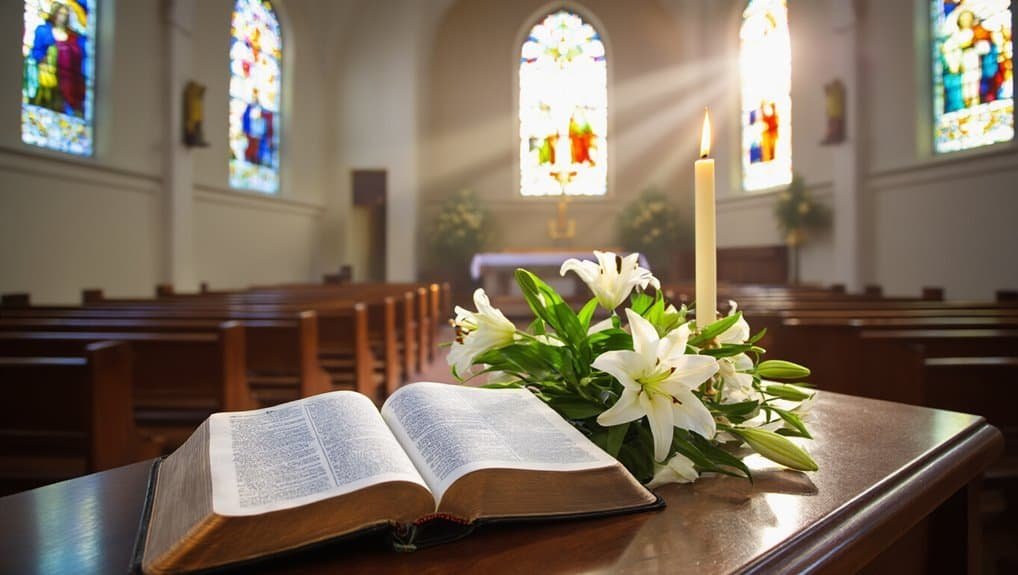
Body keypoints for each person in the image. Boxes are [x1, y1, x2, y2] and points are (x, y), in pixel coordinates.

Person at [27, 2, 86, 116]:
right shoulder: (43, 30)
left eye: (65, 14)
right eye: (60, 13)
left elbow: (78, 61)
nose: (62, 17)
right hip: (46, 76)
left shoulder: (73, 38)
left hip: (66, 81)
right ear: (54, 14)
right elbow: (36, 53)